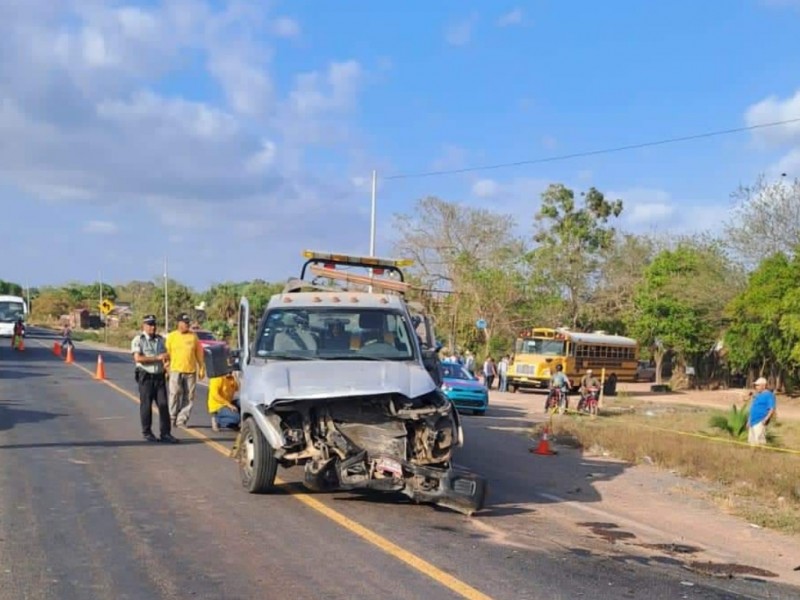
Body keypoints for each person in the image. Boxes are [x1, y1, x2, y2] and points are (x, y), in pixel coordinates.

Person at [131, 315, 178, 443]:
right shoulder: (138, 340)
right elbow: (138, 358)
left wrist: (166, 361)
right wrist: (157, 358)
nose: (153, 327)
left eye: (154, 324)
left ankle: (165, 433)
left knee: (163, 405)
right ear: (144, 326)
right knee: (146, 405)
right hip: (145, 376)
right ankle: (147, 432)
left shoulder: (160, 340)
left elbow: (166, 355)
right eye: (150, 324)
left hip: (159, 376)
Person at [165, 313, 206, 428]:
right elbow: (166, 353)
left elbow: (199, 353)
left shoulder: (193, 337)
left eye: (188, 323)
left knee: (188, 396)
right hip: (175, 370)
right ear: (179, 323)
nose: (187, 325)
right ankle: (172, 417)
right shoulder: (172, 336)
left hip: (190, 371)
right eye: (184, 323)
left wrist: (202, 367)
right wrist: (166, 368)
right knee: (174, 393)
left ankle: (181, 420)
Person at [747, 377, 776, 446]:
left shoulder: (769, 395)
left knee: (759, 441)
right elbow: (752, 408)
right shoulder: (757, 395)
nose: (756, 387)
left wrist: (765, 419)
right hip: (752, 421)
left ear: (763, 385)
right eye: (755, 385)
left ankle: (761, 455)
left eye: (757, 385)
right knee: (751, 442)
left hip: (760, 421)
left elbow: (771, 409)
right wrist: (749, 420)